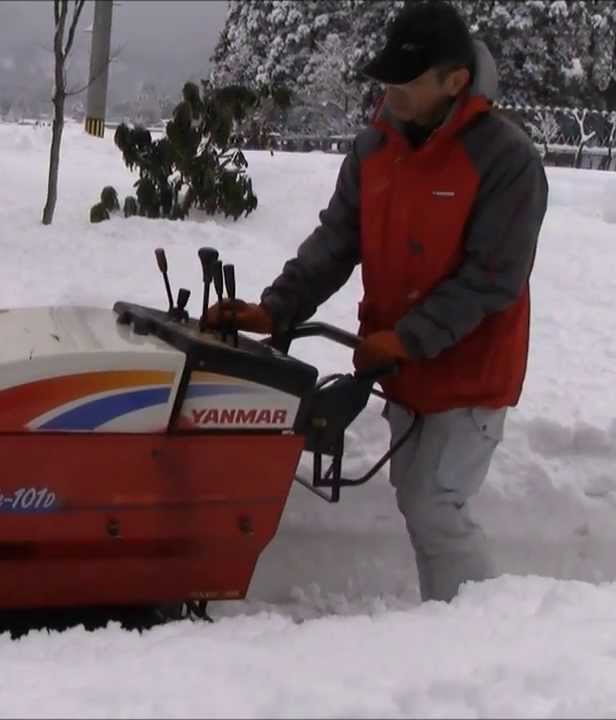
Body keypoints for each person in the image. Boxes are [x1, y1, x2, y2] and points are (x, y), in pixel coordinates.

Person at [205, 0, 548, 603]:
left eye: (408, 81)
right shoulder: (376, 147)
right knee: (419, 500)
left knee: (435, 505)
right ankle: (453, 618)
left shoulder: (505, 160)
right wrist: (276, 308)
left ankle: (483, 635)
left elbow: (492, 277)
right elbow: (338, 240)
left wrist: (411, 337)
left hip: (468, 370)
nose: (391, 91)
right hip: (398, 363)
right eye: (387, 77)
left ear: (455, 82)